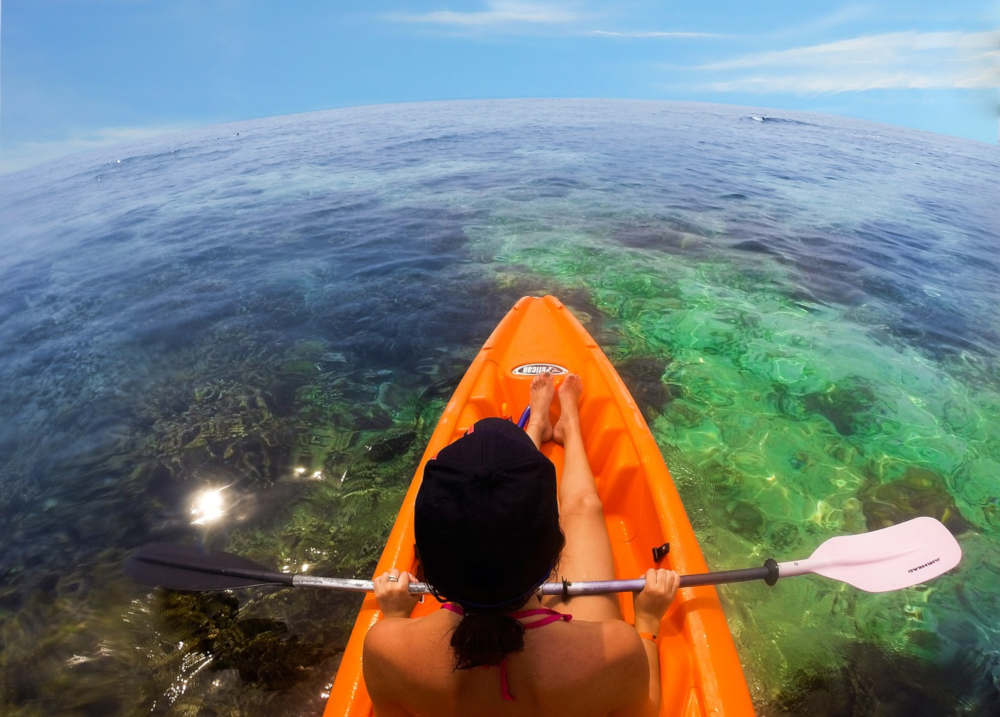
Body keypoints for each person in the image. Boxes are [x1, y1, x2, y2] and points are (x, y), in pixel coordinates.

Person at [363, 372, 680, 716]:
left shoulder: (385, 645)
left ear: (427, 561)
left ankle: (538, 427)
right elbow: (645, 712)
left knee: (533, 509)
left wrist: (395, 615)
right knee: (584, 508)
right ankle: (568, 428)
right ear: (555, 553)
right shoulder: (618, 650)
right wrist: (646, 623)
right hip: (564, 656)